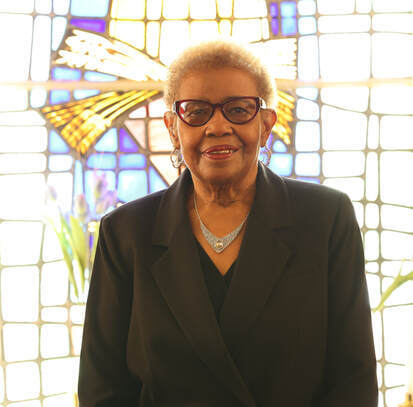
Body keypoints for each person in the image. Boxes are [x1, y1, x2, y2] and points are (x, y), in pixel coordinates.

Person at [78, 40, 378, 407]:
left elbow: (353, 380)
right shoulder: (126, 233)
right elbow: (102, 388)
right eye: (196, 112)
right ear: (172, 128)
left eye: (238, 109)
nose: (217, 126)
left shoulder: (326, 219)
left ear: (266, 124)